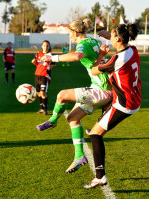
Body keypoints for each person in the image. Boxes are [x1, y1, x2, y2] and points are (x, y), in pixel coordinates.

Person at [36, 18, 112, 174]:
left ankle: (52, 121)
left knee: (61, 95)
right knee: (72, 119)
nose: (69, 36)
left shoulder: (83, 44)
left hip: (101, 89)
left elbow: (77, 56)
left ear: (75, 33)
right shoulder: (92, 40)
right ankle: (79, 157)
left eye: (69, 34)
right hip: (103, 87)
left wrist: (53, 57)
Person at [83, 24, 141, 189]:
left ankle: (100, 177)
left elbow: (94, 70)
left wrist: (101, 54)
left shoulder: (117, 60)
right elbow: (122, 43)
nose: (110, 37)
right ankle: (101, 122)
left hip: (124, 104)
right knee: (107, 104)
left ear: (118, 38)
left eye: (113, 35)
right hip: (134, 97)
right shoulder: (133, 50)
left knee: (95, 134)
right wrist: (110, 35)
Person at [31, 40, 56, 115]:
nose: (45, 47)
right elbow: (37, 63)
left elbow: (54, 64)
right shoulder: (38, 53)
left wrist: (50, 66)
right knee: (38, 93)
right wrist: (33, 62)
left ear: (49, 47)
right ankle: (41, 108)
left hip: (45, 76)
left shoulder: (51, 55)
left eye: (47, 46)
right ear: (42, 46)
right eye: (44, 45)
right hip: (37, 75)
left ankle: (45, 109)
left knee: (43, 93)